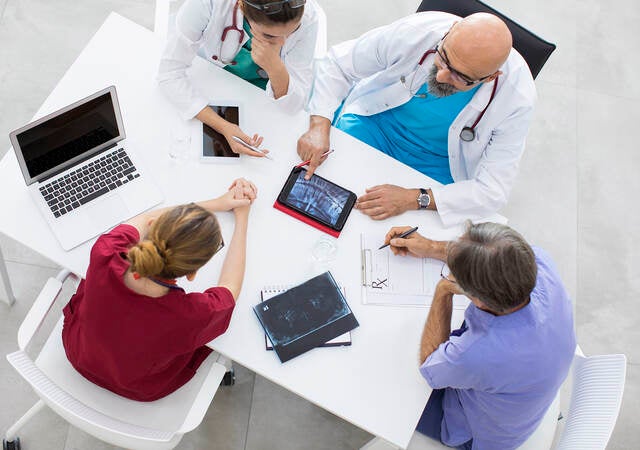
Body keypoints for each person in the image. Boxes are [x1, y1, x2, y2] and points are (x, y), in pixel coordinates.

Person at [298, 12, 536, 226]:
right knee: (325, 192)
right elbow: (338, 63)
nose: (442, 75)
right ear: (450, 30)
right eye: (443, 57)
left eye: (459, 76)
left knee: (388, 233)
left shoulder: (517, 96)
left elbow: (493, 190)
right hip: (375, 125)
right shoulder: (417, 32)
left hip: (439, 164)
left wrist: (413, 198)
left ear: (490, 78)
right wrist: (319, 127)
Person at [382, 222, 575, 449]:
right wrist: (431, 247)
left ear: (477, 299)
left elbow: (430, 367)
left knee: (381, 383)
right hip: (527, 398)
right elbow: (496, 256)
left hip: (474, 434)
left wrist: (443, 290)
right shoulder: (541, 264)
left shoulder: (479, 352)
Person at [62, 178, 257, 401]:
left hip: (79, 355)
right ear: (192, 274)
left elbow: (144, 219)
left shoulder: (105, 253)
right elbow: (230, 288)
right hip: (138, 387)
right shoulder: (193, 314)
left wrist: (216, 203)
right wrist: (242, 219)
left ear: (154, 225)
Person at [158, 0, 322, 157]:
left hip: (263, 98)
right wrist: (223, 127)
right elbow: (169, 74)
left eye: (293, 31)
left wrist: (275, 68)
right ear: (241, 4)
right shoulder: (208, 3)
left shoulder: (308, 15)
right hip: (211, 78)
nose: (282, 42)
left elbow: (294, 105)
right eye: (269, 35)